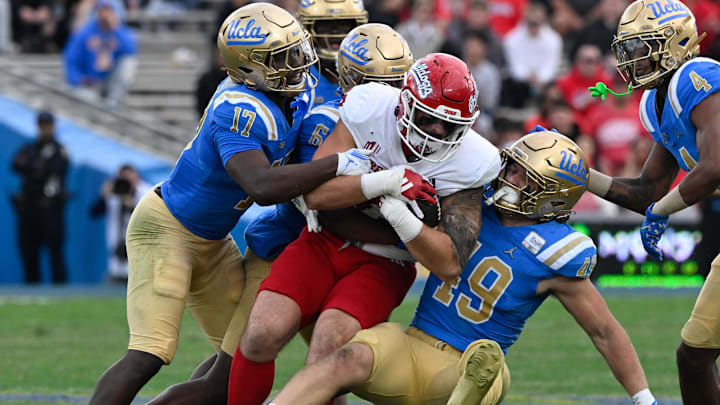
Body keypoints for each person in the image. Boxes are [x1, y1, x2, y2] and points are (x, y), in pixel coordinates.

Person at [87, 4, 374, 405]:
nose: (297, 65)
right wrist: (338, 163)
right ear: (250, 67)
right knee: (150, 354)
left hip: (213, 240)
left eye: (296, 52)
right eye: (282, 58)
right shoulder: (237, 107)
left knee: (234, 364)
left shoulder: (295, 88)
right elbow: (260, 185)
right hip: (167, 229)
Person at [267, 130, 660, 405]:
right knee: (344, 357)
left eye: (522, 174)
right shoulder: (470, 205)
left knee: (487, 367)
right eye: (511, 166)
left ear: (549, 197)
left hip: (462, 365)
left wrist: (644, 399)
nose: (508, 175)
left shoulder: (558, 251)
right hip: (413, 347)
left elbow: (605, 331)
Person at [146, 22, 414, 405]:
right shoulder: (325, 119)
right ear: (351, 81)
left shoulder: (427, 125)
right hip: (295, 244)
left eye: (399, 81)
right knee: (242, 360)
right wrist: (406, 234)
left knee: (328, 363)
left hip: (370, 260)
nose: (392, 94)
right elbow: (318, 202)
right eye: (378, 83)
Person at [227, 53, 502, 405]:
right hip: (324, 241)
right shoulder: (370, 107)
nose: (436, 131)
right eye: (428, 118)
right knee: (260, 332)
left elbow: (449, 263)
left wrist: (393, 208)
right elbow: (315, 196)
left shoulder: (472, 161)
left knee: (328, 347)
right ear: (404, 103)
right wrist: (386, 182)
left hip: (387, 263)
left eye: (448, 126)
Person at [585, 1, 720, 404]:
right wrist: (581, 175)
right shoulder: (655, 103)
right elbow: (648, 191)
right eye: (627, 49)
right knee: (693, 357)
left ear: (675, 43)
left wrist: (661, 212)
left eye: (640, 47)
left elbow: (714, 167)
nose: (631, 60)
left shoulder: (697, 76)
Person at [11, 110, 69, 285]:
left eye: (48, 125)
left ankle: (60, 295)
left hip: (50, 209)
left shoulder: (59, 149)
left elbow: (55, 168)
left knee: (55, 254)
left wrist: (35, 167)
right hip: (29, 209)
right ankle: (31, 291)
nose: (44, 129)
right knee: (29, 252)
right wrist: (36, 166)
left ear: (53, 126)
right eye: (42, 126)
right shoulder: (30, 148)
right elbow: (16, 165)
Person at [63, 0, 138, 109]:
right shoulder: (84, 33)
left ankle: (113, 101)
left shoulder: (121, 33)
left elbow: (131, 50)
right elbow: (71, 60)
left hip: (109, 83)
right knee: (88, 98)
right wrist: (79, 80)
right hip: (88, 84)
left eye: (109, 11)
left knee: (129, 63)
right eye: (103, 10)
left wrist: (116, 28)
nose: (105, 14)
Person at [298, 0, 368, 104]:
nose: (335, 32)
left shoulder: (370, 72)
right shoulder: (298, 75)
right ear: (309, 27)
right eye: (325, 24)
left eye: (343, 24)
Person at [89, 164, 151, 282]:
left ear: (137, 178)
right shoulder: (114, 193)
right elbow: (93, 213)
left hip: (141, 259)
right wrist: (103, 196)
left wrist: (131, 204)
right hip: (116, 262)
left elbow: (149, 219)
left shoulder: (146, 192)